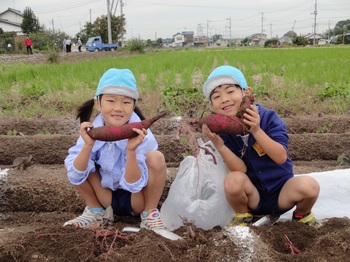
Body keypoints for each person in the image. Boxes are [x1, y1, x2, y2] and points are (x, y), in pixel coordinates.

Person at [201, 65, 321, 228]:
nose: (224, 99)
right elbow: (240, 170)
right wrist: (220, 145)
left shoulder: (268, 118)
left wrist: (256, 130)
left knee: (310, 186)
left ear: (247, 93)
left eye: (230, 91)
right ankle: (243, 215)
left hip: (282, 192)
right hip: (254, 197)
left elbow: (280, 157)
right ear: (212, 105)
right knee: (232, 180)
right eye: (216, 96)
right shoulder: (224, 131)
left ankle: (301, 215)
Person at [64, 68, 167, 230]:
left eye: (126, 102)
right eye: (111, 101)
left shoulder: (142, 134)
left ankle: (150, 214)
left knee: (156, 157)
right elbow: (75, 175)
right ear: (97, 104)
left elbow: (135, 185)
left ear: (133, 106)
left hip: (136, 199)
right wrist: (88, 146)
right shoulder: (92, 130)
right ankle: (95, 211)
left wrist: (131, 151)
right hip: (106, 197)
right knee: (78, 161)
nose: (118, 108)